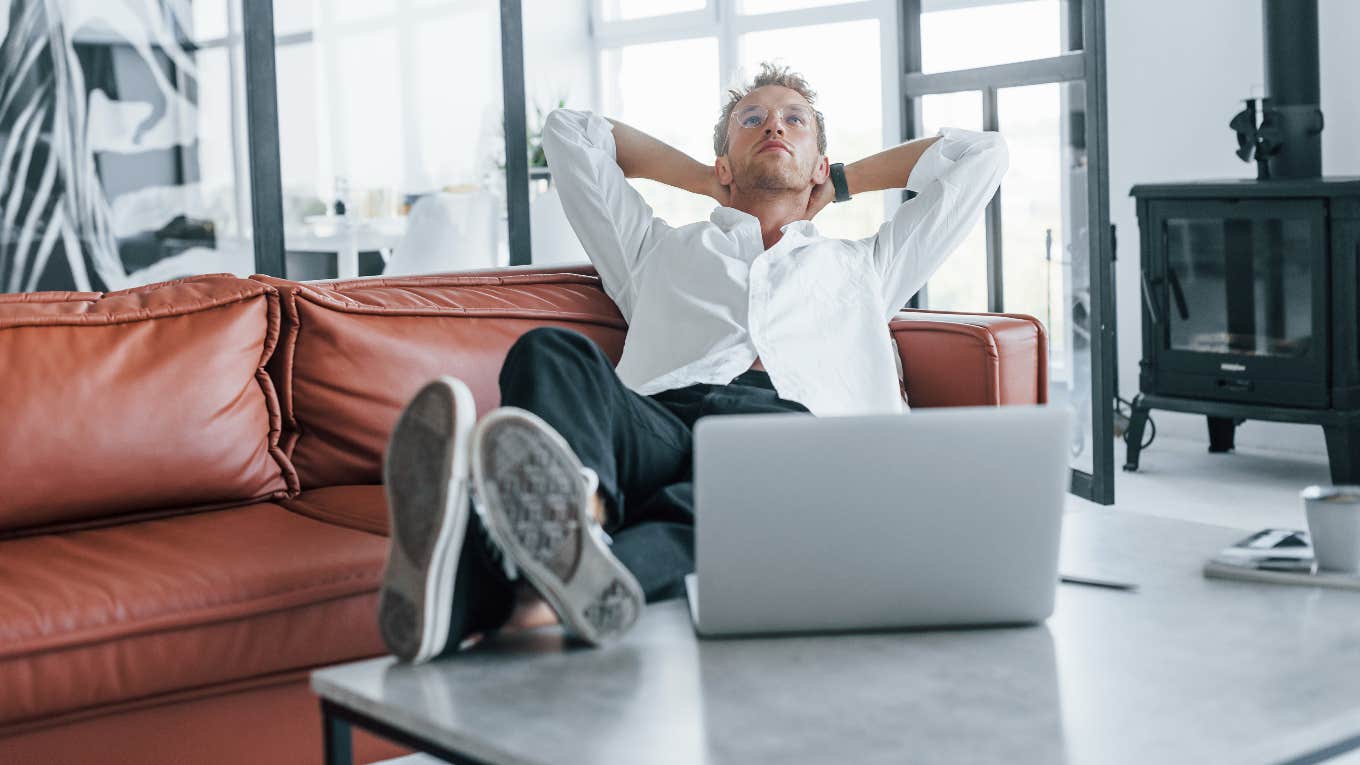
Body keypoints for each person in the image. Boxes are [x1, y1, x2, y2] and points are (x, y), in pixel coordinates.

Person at [376, 62, 1008, 663]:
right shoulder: (655, 250)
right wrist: (707, 180)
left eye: (795, 120)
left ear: (817, 158)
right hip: (657, 424)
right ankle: (581, 525)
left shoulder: (867, 266)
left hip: (794, 441)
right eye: (752, 118)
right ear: (724, 160)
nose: (774, 126)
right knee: (550, 352)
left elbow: (981, 157)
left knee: (752, 465)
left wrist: (838, 181)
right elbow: (570, 134)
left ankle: (484, 592)